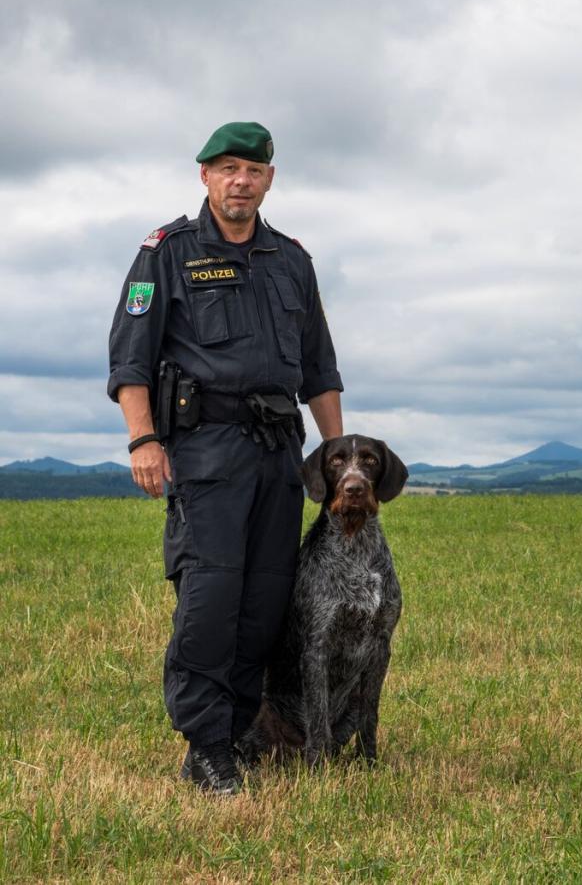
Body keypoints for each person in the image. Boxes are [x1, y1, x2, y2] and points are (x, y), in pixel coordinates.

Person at [108, 122, 343, 795]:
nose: (241, 180)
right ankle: (206, 746)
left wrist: (331, 453)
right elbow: (130, 357)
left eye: (254, 170)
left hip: (278, 454)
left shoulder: (291, 259)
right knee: (210, 600)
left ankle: (242, 730)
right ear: (205, 176)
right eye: (228, 168)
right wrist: (143, 439)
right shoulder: (166, 253)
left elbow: (320, 368)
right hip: (203, 452)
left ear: (270, 179)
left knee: (265, 600)